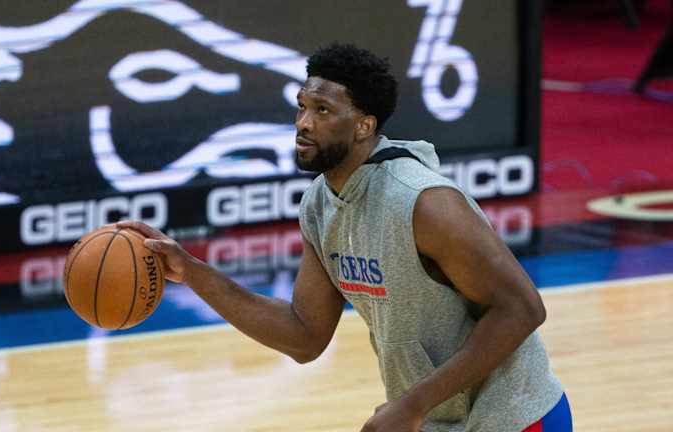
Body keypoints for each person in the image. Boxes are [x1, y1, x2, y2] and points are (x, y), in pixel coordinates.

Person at [119, 42, 573, 432]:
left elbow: (523, 308)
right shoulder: (320, 204)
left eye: (322, 111)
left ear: (363, 126)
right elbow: (304, 335)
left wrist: (411, 405)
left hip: (514, 418)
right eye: (302, 106)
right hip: (436, 420)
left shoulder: (423, 202)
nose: (303, 123)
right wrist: (192, 272)